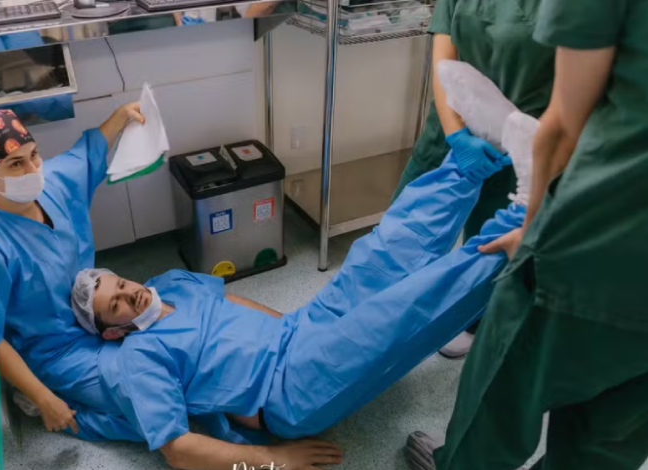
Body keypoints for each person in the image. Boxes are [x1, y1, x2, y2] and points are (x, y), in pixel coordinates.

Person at [58, 135, 526, 470]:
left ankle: (467, 166)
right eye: (116, 305)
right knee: (398, 315)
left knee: (378, 257)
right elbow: (179, 450)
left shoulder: (172, 284)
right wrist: (273, 461)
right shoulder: (139, 356)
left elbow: (232, 302)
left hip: (301, 328)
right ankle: (512, 238)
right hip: (287, 390)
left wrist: (301, 324)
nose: (130, 293)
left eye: (121, 283)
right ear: (113, 331)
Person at [405, 0, 648, 469]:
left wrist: (531, 230)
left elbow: (562, 127)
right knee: (610, 440)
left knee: (499, 401)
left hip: (600, 238)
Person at [0, 104, 145, 435]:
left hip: (98, 311)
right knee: (144, 397)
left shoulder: (52, 183)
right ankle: (53, 402)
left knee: (185, 334)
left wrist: (123, 114)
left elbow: (87, 153)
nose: (32, 170)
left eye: (34, 155)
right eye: (16, 164)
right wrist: (43, 399)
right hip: (58, 350)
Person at [393, 0, 556, 358]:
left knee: (488, 246)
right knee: (402, 233)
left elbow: (578, 93)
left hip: (518, 143)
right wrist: (455, 135)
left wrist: (528, 141)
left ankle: (472, 323)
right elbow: (443, 59)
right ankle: (373, 318)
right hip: (451, 128)